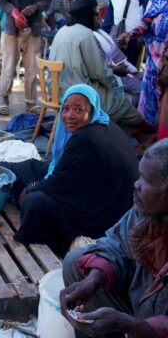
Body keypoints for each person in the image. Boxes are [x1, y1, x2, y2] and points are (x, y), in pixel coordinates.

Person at [0, 85, 139, 255]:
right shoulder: (104, 122)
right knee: (23, 167)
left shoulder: (85, 138)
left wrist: (31, 188)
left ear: (92, 110)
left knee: (33, 202)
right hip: (91, 186)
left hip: (99, 213)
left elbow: (57, 182)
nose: (69, 116)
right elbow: (63, 169)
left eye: (78, 110)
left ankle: (45, 241)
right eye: (66, 109)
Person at [60, 138, 168, 338]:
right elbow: (117, 245)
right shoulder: (147, 212)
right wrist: (94, 279)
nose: (137, 184)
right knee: (76, 263)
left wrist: (132, 325)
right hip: (142, 308)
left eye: (146, 180)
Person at [50, 0, 149, 135]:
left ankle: (136, 137)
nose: (100, 19)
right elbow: (99, 73)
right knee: (119, 102)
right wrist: (114, 75)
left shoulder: (62, 31)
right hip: (79, 93)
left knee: (114, 96)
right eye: (97, 14)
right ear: (87, 16)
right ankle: (147, 132)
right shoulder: (86, 34)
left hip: (59, 92)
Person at [0, 0, 52, 116]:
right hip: (12, 28)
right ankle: (4, 99)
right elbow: (3, 1)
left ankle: (30, 102)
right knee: (8, 65)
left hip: (33, 27)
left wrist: (36, 7)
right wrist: (13, 12)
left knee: (32, 67)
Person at [117, 0, 168, 131]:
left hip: (165, 60)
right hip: (155, 62)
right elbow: (146, 22)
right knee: (152, 100)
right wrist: (129, 34)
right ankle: (154, 136)